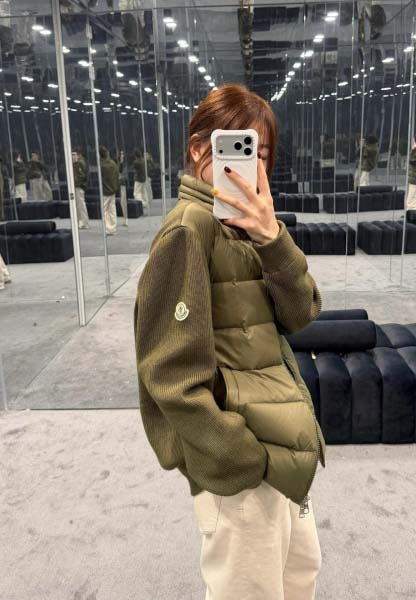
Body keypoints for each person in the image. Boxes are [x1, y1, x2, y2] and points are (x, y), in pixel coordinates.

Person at [134, 83, 326, 600]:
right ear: (200, 148)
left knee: (299, 576)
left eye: (261, 154)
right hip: (244, 463)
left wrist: (273, 238)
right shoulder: (188, 231)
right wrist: (237, 457)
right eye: (236, 149)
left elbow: (302, 313)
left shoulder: (249, 228)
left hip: (281, 445)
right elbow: (168, 377)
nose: (251, 167)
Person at [99, 145, 119, 235]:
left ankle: (107, 228)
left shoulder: (101, 165)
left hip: (105, 191)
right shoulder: (112, 163)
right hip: (113, 189)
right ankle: (113, 228)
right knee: (112, 210)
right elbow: (117, 174)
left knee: (104, 210)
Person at [72, 149, 89, 230]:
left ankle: (84, 222)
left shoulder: (80, 163)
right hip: (77, 186)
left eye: (74, 155)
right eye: (72, 155)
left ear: (78, 155)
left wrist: (77, 183)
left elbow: (82, 176)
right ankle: (80, 222)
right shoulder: (76, 164)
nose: (73, 157)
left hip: (79, 187)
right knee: (78, 206)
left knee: (81, 205)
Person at [118, 149, 128, 226]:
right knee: (122, 203)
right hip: (121, 185)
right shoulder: (120, 164)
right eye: (120, 154)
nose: (121, 156)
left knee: (123, 202)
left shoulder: (123, 165)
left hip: (123, 185)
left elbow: (122, 174)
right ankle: (125, 219)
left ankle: (126, 219)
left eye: (123, 154)